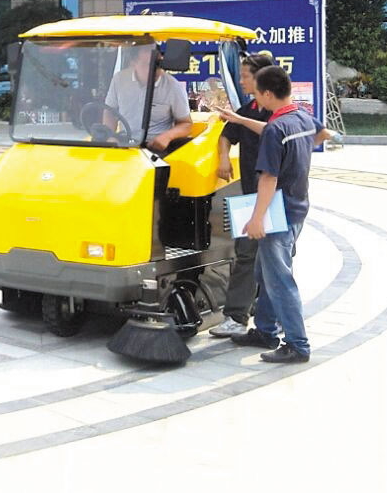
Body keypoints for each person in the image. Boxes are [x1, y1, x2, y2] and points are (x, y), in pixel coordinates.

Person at [228, 64, 317, 364]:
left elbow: (268, 178)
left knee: (279, 280)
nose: (255, 99)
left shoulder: (276, 130)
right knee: (265, 273)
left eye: (256, 94)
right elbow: (319, 136)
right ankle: (265, 331)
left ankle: (297, 344)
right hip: (297, 207)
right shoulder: (302, 118)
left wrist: (256, 219)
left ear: (267, 94)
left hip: (278, 214)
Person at [206, 52, 275, 338]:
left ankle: (272, 316)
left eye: (245, 76)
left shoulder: (279, 111)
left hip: (275, 199)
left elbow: (272, 131)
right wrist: (224, 157)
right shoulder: (248, 109)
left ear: (261, 78)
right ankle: (236, 316)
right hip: (250, 195)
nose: (242, 81)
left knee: (275, 258)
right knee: (245, 256)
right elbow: (227, 134)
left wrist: (240, 120)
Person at [103, 45, 192, 154]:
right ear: (133, 63)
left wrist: (167, 136)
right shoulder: (119, 80)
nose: (155, 70)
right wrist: (110, 136)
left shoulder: (173, 87)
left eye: (158, 64)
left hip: (156, 148)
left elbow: (186, 124)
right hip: (125, 144)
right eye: (148, 65)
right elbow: (110, 112)